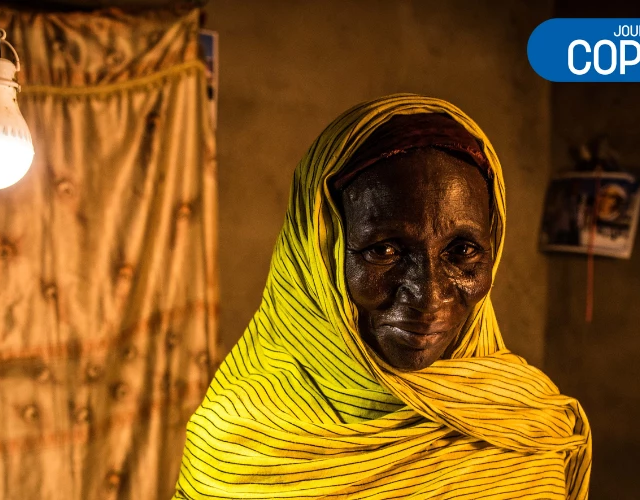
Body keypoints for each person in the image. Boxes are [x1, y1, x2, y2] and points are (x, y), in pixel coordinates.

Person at [175, 94, 591, 499]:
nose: (428, 296)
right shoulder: (242, 442)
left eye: (462, 251)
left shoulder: (531, 425)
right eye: (383, 251)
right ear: (318, 256)